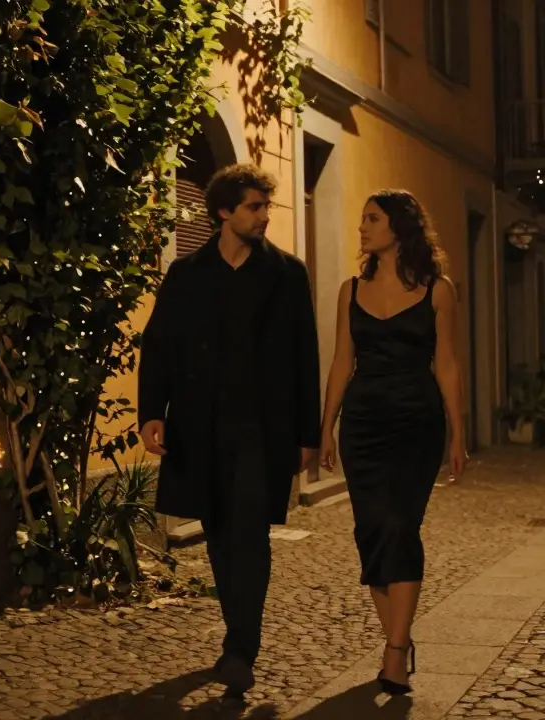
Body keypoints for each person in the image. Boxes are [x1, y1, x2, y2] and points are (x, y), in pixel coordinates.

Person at [138, 163, 321, 697]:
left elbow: (304, 357)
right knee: (218, 531)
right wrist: (152, 412)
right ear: (224, 211)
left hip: (263, 429)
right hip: (200, 425)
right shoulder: (188, 274)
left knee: (252, 533)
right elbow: (160, 344)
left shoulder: (287, 273)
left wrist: (307, 434)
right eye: (254, 207)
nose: (264, 216)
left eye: (266, 206)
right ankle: (236, 638)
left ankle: (241, 647)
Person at [318, 189, 466, 696]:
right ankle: (400, 640)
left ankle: (395, 651)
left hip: (416, 422)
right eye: (361, 219)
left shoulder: (438, 290)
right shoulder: (350, 290)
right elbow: (342, 361)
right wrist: (326, 427)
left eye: (371, 219)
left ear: (398, 228)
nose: (361, 227)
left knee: (401, 526)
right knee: (373, 531)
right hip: (363, 424)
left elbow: (446, 363)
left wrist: (458, 433)